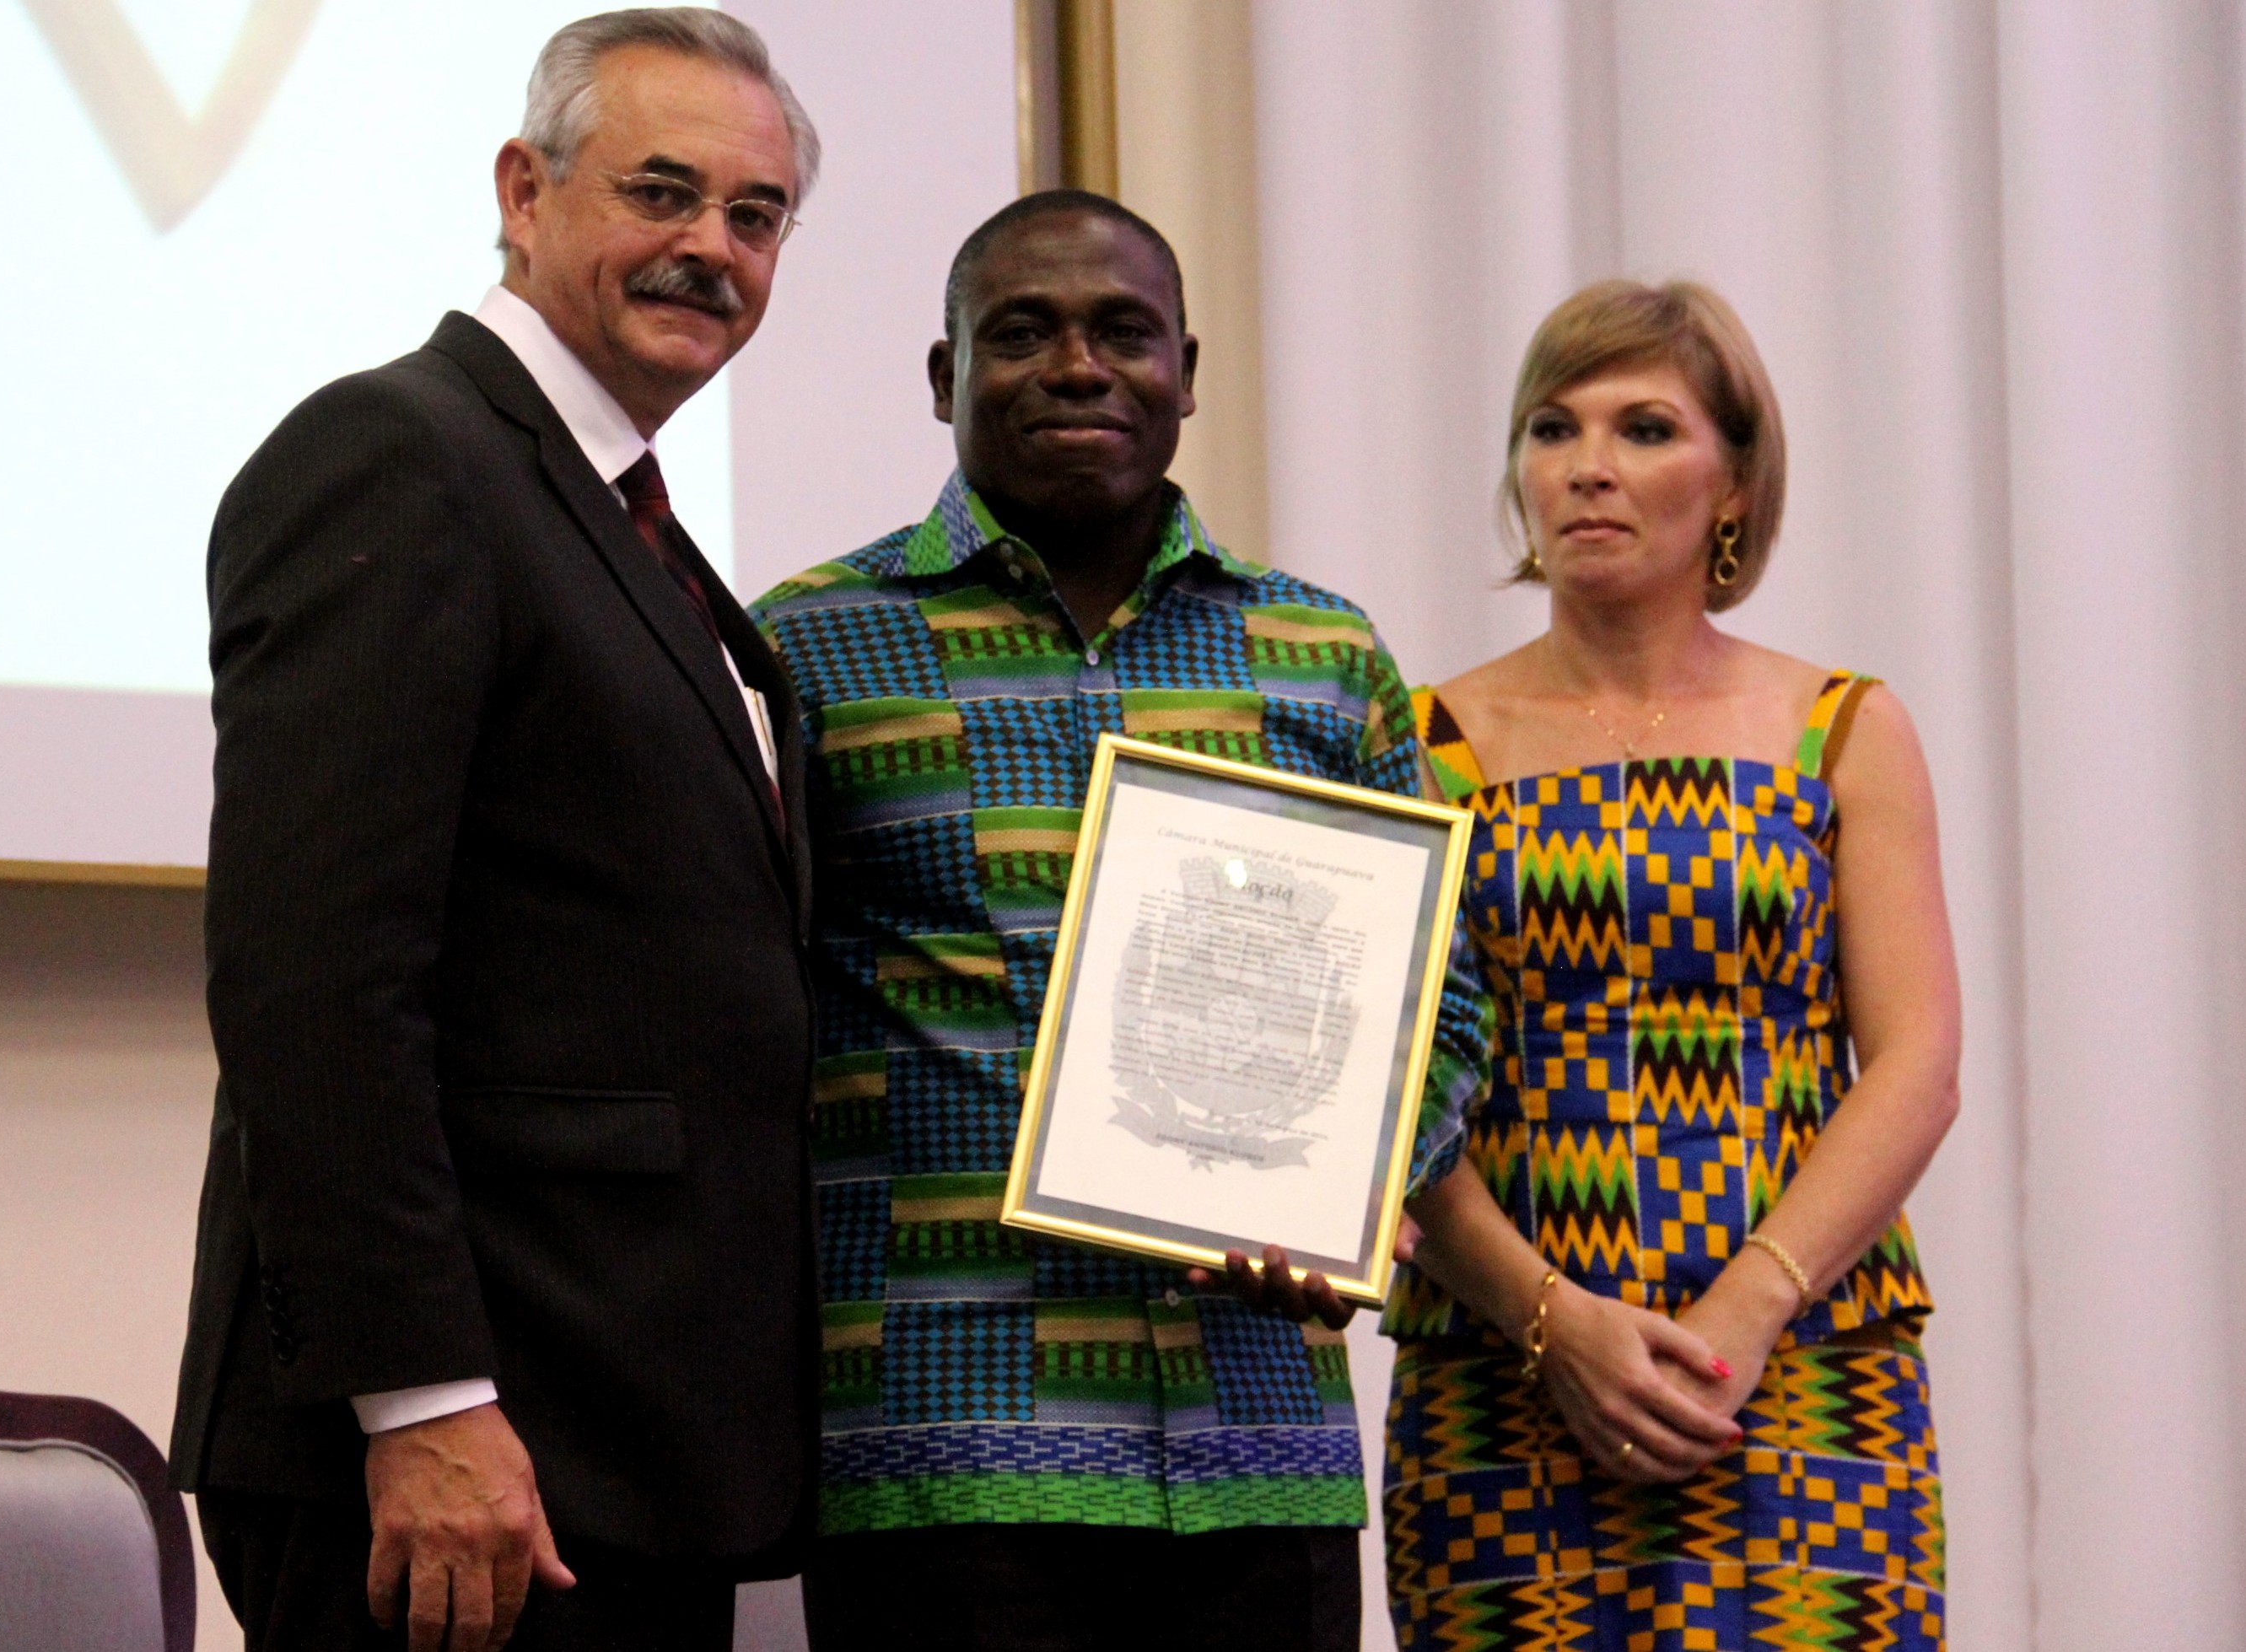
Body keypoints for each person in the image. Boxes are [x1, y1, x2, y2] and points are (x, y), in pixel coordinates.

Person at [749, 191, 1494, 1652]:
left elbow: (1440, 999)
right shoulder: (805, 645)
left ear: (1186, 372)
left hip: (1257, 1455)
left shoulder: (1322, 654)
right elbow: (729, 1006)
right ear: (943, 378)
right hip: (943, 1449)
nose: (1077, 366)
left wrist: (1346, 1194)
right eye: (1020, 332)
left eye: (1121, 332)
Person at [167, 13, 822, 1650]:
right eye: (661, 191)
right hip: (461, 1461)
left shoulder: (614, 518)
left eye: (755, 216)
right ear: (525, 190)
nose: (710, 249)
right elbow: (314, 978)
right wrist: (424, 1396)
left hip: (611, 1450)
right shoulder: (401, 457)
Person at [1378, 279, 1959, 1650]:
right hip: (1501, 1374)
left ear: (1736, 485)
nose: (1585, 466)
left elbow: (1918, 1065)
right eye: (1549, 428)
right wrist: (1550, 1324)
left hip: (1806, 1366)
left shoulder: (1843, 729)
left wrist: (1745, 1311)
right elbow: (1391, 1088)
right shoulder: (1417, 738)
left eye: (1642, 428)